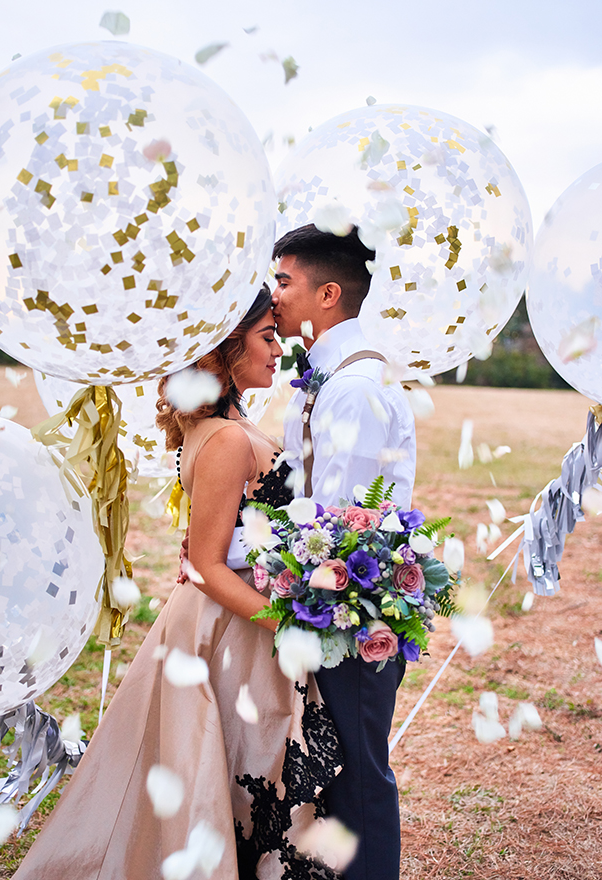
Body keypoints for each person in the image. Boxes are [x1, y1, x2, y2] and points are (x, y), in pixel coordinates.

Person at [11, 285, 343, 880]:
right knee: (232, 765)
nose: (279, 347)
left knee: (242, 766)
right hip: (230, 626)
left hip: (235, 611)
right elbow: (211, 565)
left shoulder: (232, 424)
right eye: (266, 337)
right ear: (223, 351)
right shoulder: (227, 438)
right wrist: (287, 624)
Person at [272, 224, 417, 880]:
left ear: (327, 293)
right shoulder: (327, 373)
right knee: (330, 767)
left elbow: (343, 522)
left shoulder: (355, 387)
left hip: (352, 606)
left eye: (284, 282)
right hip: (325, 599)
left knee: (358, 774)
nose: (272, 295)